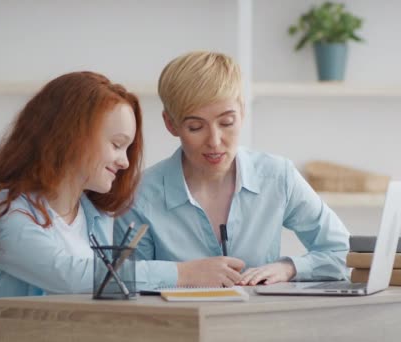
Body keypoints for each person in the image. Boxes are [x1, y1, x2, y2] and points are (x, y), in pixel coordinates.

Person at [0, 71, 157, 328]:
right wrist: (183, 274)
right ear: (71, 136)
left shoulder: (94, 216)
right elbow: (68, 274)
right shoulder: (3, 209)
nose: (125, 162)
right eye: (117, 144)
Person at [115, 51, 350, 287]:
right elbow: (120, 277)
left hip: (259, 322)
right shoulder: (141, 194)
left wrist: (289, 268)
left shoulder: (277, 176)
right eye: (196, 127)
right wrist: (183, 273)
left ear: (243, 112)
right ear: (171, 124)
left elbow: (342, 251)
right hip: (175, 323)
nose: (215, 141)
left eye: (227, 122)